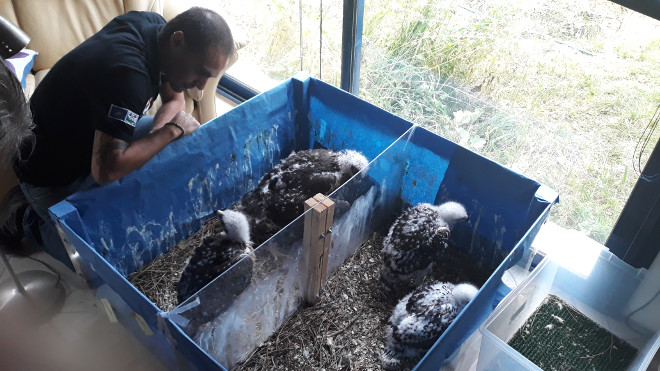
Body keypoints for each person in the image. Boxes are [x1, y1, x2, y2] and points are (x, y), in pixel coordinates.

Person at [0, 7, 235, 269]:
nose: (201, 86)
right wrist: (169, 131)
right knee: (101, 263)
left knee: (180, 145)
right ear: (177, 41)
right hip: (48, 170)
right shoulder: (128, 76)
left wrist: (158, 138)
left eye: (208, 77)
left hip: (95, 138)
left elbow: (175, 98)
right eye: (200, 72)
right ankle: (27, 218)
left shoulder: (155, 30)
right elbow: (106, 170)